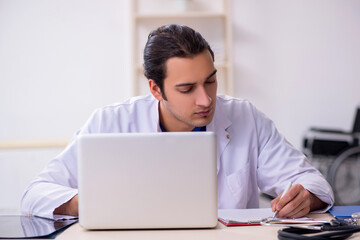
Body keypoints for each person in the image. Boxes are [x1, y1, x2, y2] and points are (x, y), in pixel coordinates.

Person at [21, 24, 334, 220]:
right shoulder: (111, 121)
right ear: (155, 89)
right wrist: (88, 202)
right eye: (187, 89)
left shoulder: (244, 117)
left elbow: (315, 184)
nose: (206, 99)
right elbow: (34, 194)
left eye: (210, 81)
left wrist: (305, 197)